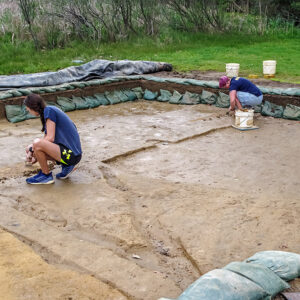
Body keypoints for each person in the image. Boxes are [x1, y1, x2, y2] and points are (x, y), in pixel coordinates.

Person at [24, 94, 82, 184]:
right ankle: (66, 165)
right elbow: (45, 141)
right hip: (69, 154)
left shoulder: (49, 110)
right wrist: (33, 152)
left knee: (36, 143)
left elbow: (50, 138)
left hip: (72, 155)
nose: (28, 110)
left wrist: (33, 149)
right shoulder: (47, 113)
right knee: (31, 147)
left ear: (32, 106)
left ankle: (46, 175)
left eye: (28, 108)